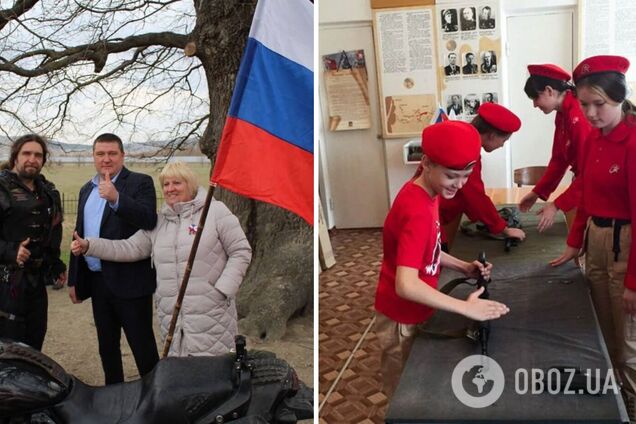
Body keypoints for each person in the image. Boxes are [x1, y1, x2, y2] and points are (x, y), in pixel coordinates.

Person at [374, 120, 510, 398]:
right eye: (451, 176)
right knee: (402, 395)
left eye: (466, 175)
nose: (459, 185)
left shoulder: (428, 191)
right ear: (426, 163)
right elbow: (406, 285)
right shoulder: (418, 210)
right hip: (402, 315)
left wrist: (463, 266)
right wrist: (465, 308)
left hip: (416, 309)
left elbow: (430, 248)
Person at [71, 162, 252, 357]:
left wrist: (223, 290)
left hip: (210, 312)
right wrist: (90, 245)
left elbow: (240, 250)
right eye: (166, 184)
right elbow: (129, 247)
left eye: (177, 183)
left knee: (214, 373)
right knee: (179, 374)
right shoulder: (160, 221)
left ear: (190, 184)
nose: (170, 188)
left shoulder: (215, 212)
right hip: (172, 314)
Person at [550, 55, 636, 416]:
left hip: (626, 245)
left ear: (618, 96)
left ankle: (631, 404)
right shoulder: (594, 139)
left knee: (629, 336)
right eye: (584, 104)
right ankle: (614, 396)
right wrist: (574, 244)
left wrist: (633, 280)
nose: (590, 113)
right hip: (597, 240)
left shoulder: (632, 142)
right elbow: (585, 192)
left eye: (599, 104)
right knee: (602, 324)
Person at [67, 133, 159, 385]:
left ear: (122, 155)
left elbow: (149, 219)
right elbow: (79, 233)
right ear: (93, 156)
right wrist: (74, 279)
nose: (106, 159)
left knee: (143, 347)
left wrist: (117, 198)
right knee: (107, 348)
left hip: (131, 282)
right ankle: (114, 397)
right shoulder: (87, 189)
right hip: (98, 283)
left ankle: (155, 398)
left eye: (112, 153)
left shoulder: (140, 182)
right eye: (100, 154)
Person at [0, 134, 66, 351]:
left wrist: (56, 264)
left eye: (38, 155)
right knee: (9, 349)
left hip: (36, 284)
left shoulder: (48, 192)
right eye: (26, 153)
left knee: (35, 342)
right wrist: (11, 251)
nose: (32, 159)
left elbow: (54, 230)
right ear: (15, 157)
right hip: (6, 283)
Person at [439, 103, 526, 250]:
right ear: (491, 136)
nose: (502, 146)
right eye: (503, 141)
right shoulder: (468, 149)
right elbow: (474, 196)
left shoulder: (463, 136)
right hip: (430, 215)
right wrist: (503, 229)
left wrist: (488, 219)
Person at [519, 64, 592, 231]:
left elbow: (589, 173)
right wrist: (537, 192)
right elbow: (559, 159)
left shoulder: (577, 116)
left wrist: (556, 205)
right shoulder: (563, 113)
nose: (534, 105)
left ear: (549, 90)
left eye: (535, 98)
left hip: (596, 186)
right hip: (585, 182)